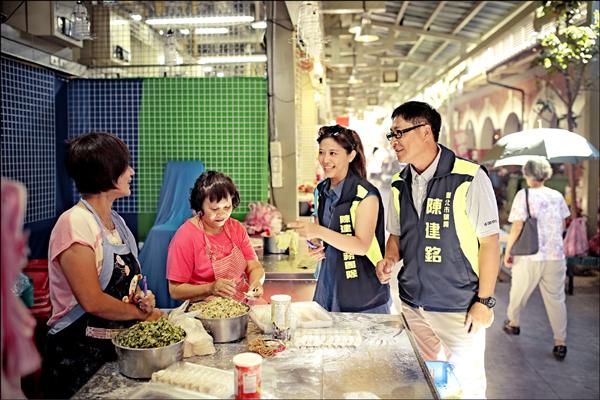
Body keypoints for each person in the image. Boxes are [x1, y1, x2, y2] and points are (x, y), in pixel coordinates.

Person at [375, 101, 500, 399]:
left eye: (399, 133)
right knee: (427, 381)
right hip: (413, 304)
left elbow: (490, 243)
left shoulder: (468, 178)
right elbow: (397, 235)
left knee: (467, 388)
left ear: (426, 132)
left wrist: (485, 301)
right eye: (391, 135)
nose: (394, 142)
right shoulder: (399, 183)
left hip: (458, 306)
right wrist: (390, 258)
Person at [41, 132, 159, 398]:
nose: (132, 171)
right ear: (106, 172)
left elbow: (131, 284)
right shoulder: (75, 223)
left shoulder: (118, 224)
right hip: (77, 358)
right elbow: (92, 301)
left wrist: (143, 298)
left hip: (115, 351)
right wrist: (141, 315)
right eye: (125, 165)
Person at [288, 125, 390, 313]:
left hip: (363, 296)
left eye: (333, 153)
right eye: (321, 152)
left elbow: (362, 245)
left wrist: (318, 231)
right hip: (328, 289)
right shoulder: (321, 190)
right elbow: (322, 231)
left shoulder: (365, 194)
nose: (325, 160)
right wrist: (316, 244)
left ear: (351, 155)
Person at [503, 158, 570, 360]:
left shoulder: (524, 195)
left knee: (519, 291)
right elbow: (563, 224)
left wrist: (508, 251)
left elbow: (517, 227)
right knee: (556, 299)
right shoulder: (557, 196)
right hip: (556, 256)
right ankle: (560, 342)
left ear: (527, 174)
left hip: (530, 256)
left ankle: (513, 323)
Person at [167, 171, 265, 302]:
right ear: (200, 206)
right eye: (214, 209)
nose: (222, 214)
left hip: (240, 303)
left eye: (227, 207)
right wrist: (210, 288)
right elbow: (175, 290)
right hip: (203, 309)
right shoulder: (185, 236)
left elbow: (254, 267)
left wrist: (256, 282)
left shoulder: (236, 228)